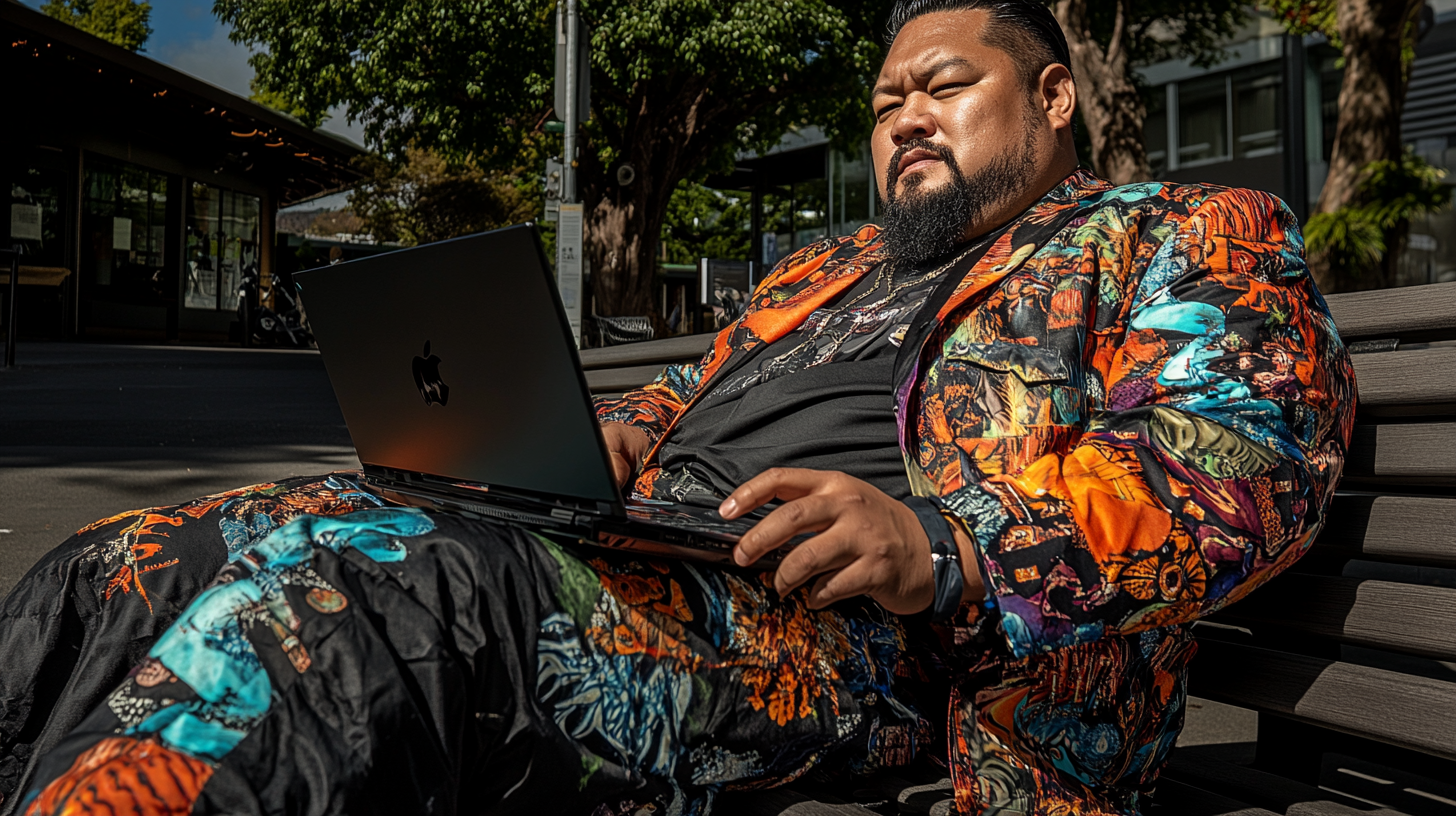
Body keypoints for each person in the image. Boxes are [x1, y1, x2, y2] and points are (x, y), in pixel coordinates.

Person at [0, 1, 1355, 814]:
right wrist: (565, 449)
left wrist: (944, 543)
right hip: (649, 554)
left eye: (945, 87)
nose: (904, 120)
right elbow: (671, 407)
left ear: (1054, 98)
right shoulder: (827, 268)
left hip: (861, 645)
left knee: (351, 607)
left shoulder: (1178, 232)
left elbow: (1241, 463)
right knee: (143, 559)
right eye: (886, 101)